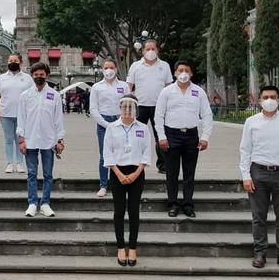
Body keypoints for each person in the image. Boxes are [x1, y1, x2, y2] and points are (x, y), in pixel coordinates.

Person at [239, 85, 279, 271]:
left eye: (273, 97)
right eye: (266, 97)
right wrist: (246, 176)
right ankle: (260, 253)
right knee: (258, 217)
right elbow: (245, 150)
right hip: (258, 172)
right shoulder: (251, 122)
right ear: (259, 100)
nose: (269, 100)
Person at [155, 61, 213, 218]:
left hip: (191, 136)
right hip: (171, 135)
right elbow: (158, 116)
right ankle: (173, 204)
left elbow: (207, 114)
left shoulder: (199, 92)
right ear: (175, 73)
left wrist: (205, 137)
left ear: (191, 73)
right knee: (172, 173)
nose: (183, 73)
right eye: (180, 70)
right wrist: (161, 137)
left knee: (189, 173)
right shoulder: (166, 92)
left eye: (187, 70)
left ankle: (188, 204)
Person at [103, 94, 150, 267]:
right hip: (117, 172)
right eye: (124, 106)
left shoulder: (143, 128)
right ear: (120, 108)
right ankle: (120, 246)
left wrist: (136, 173)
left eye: (131, 107)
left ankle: (133, 246)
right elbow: (107, 153)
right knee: (119, 210)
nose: (127, 110)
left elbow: (146, 153)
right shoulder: (112, 128)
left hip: (137, 172)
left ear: (136, 109)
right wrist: (119, 173)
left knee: (134, 211)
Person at [17, 62, 65, 217]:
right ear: (32, 76)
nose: (39, 77)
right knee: (31, 173)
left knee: (48, 174)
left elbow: (58, 119)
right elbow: (21, 119)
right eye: (36, 75)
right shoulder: (25, 96)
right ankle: (32, 203)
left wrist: (60, 140)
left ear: (47, 75)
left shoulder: (55, 95)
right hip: (30, 139)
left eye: (42, 75)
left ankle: (45, 203)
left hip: (48, 140)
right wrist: (21, 139)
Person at [126, 39, 173, 173]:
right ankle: (134, 163)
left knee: (161, 136)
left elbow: (169, 86)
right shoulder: (135, 66)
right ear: (143, 51)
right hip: (139, 106)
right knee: (135, 135)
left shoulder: (164, 66)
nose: (151, 52)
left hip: (159, 107)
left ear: (158, 50)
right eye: (148, 49)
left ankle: (163, 166)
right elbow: (129, 85)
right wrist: (128, 102)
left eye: (153, 49)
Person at [89, 58, 131, 198]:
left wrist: (121, 121)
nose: (109, 70)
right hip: (103, 123)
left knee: (122, 153)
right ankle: (103, 185)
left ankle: (120, 183)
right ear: (102, 69)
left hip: (121, 121)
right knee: (104, 155)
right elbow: (93, 109)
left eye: (111, 67)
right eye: (106, 68)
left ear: (116, 69)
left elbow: (128, 104)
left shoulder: (124, 86)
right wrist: (107, 125)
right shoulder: (97, 87)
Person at [0, 53, 33, 174]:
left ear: (20, 62)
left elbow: (33, 95)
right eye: (10, 60)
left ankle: (20, 163)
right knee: (9, 139)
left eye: (15, 60)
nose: (12, 62)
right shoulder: (2, 78)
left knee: (20, 139)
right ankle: (9, 163)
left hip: (23, 115)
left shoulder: (27, 78)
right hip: (6, 114)